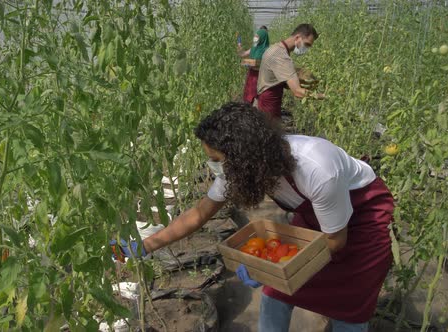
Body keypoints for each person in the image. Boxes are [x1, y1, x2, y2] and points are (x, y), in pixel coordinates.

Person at [114, 102, 393, 331]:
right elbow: (198, 214)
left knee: (349, 309)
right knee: (275, 295)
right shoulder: (242, 167)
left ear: (243, 156)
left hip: (361, 224)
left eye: (216, 159)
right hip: (316, 221)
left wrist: (275, 269)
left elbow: (335, 241)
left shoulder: (317, 168)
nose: (213, 166)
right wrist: (145, 246)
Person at [257, 23, 325, 119]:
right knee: (270, 130)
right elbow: (297, 92)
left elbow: (278, 78)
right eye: (306, 44)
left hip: (268, 97)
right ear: (297, 37)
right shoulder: (281, 56)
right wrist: (322, 96)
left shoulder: (277, 48)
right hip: (269, 101)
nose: (307, 48)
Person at [238, 27, 270, 104]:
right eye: (256, 37)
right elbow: (242, 54)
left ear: (263, 37)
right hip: (252, 76)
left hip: (262, 77)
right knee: (249, 98)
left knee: (261, 100)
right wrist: (239, 45)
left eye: (258, 37)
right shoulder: (254, 48)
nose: (256, 39)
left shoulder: (268, 50)